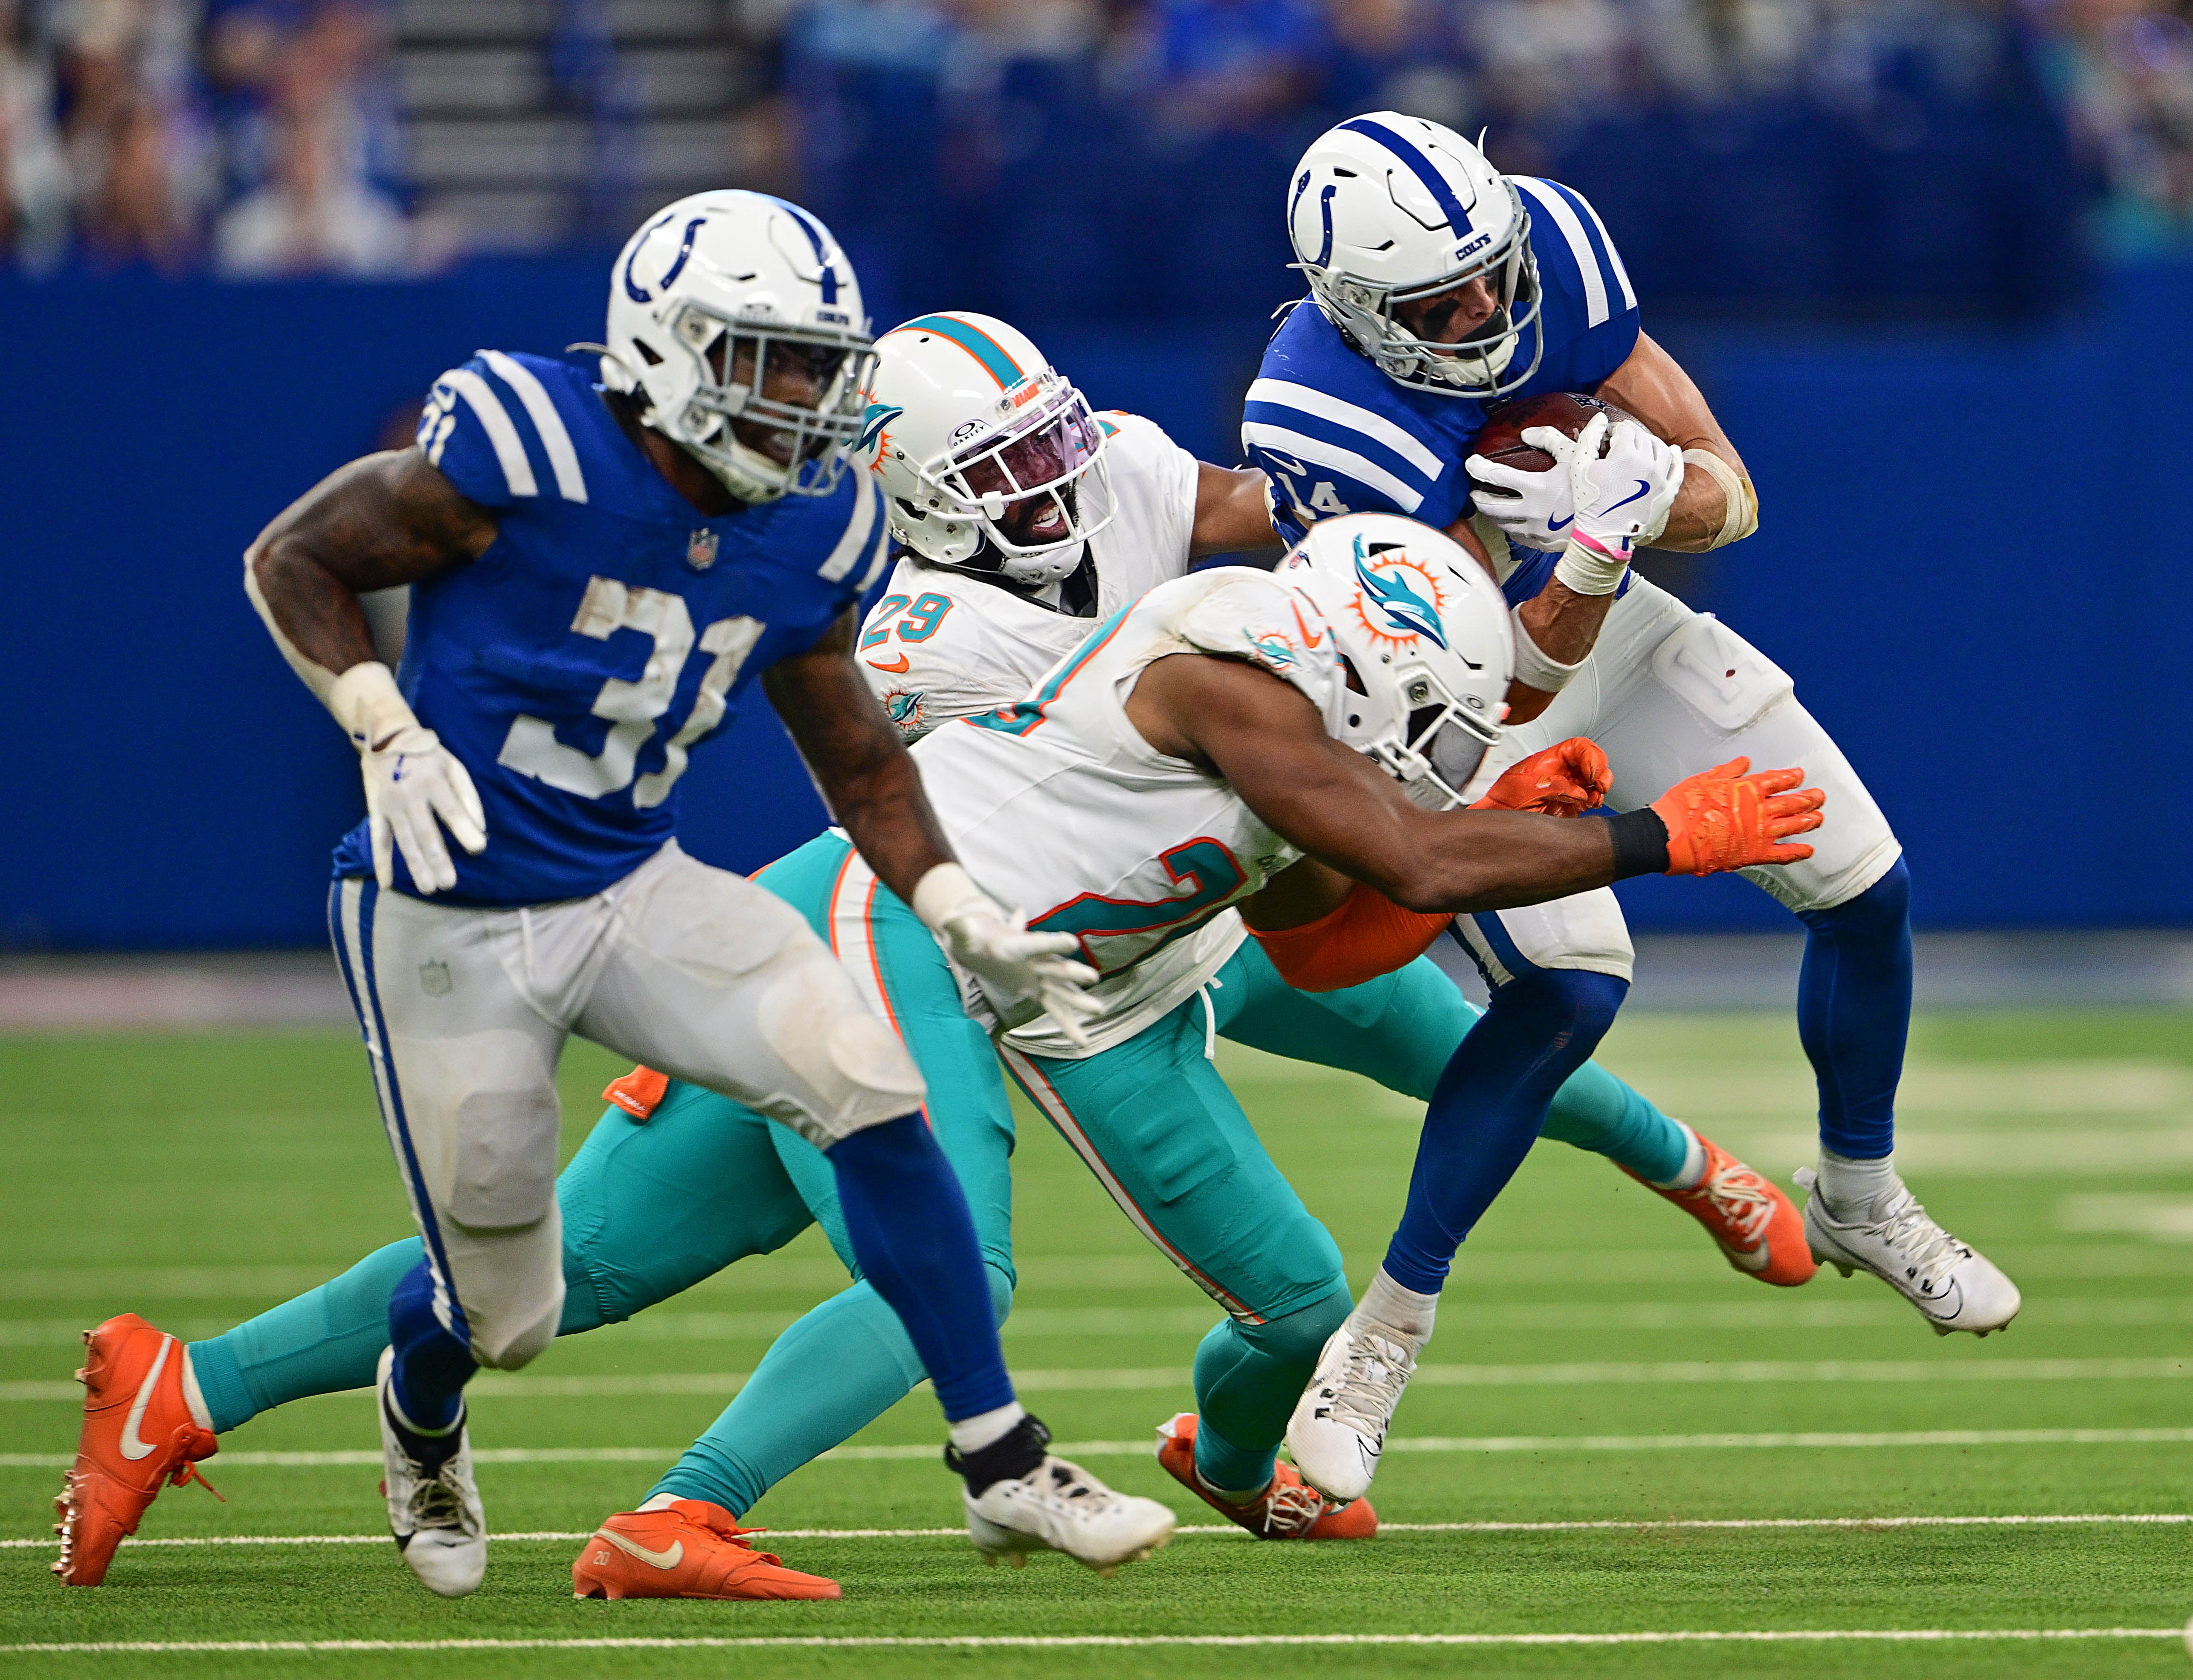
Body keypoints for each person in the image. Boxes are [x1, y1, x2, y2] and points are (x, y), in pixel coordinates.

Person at [56, 316, 1816, 1600]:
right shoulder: (941, 619)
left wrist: (1499, 681)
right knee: (942, 1272)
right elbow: (1351, 816)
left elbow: (1350, 813)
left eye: (1057, 447)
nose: (1060, 487)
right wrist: (1611, 824)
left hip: (1098, 939)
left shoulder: (1171, 516)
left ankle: (181, 1384)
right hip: (921, 926)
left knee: (574, 1270)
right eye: (1008, 472)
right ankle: (690, 1510)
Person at [51, 193, 1176, 1599]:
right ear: (671, 348)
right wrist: (378, 721)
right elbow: (295, 557)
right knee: (509, 1310)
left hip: (630, 883)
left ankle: (1005, 1461)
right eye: (775, 362)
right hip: (444, 909)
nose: (809, 400)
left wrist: (952, 905)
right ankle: (422, 1399)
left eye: (822, 364)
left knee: (865, 1075)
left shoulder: (812, 522)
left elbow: (854, 746)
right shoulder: (528, 442)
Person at [1238, 112, 2017, 1507]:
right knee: (1574, 988)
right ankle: (1384, 1333)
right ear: (1354, 314)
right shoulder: (1324, 424)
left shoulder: (1556, 247)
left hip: (1594, 617)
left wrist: (1654, 494)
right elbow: (1508, 687)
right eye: (1441, 303)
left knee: (1867, 884)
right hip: (1446, 688)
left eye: (1492, 277)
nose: (1485, 311)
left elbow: (1737, 497)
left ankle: (1860, 1189)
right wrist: (1596, 542)